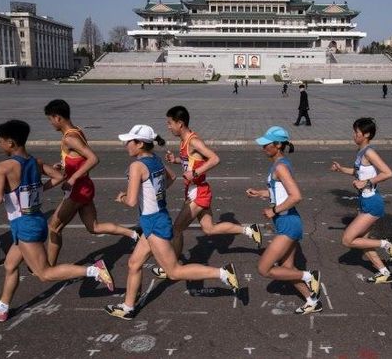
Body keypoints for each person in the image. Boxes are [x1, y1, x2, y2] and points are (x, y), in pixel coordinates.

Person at [0, 119, 115, 322]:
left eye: (1, 141)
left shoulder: (2, 167)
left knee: (44, 274)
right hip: (35, 221)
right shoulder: (36, 162)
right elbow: (59, 177)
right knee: (10, 265)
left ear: (10, 142)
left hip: (24, 226)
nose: (0, 145)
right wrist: (39, 189)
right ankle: (2, 307)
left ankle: (95, 270)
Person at [105, 124, 239, 320]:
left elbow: (132, 201)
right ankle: (128, 307)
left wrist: (123, 198)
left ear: (140, 144)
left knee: (174, 272)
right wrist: (153, 193)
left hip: (154, 223)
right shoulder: (155, 159)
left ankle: (223, 273)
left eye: (129, 141)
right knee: (134, 263)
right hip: (156, 218)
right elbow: (172, 177)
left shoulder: (136, 166)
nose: (126, 144)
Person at [151, 106, 262, 279]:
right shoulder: (184, 141)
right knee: (209, 229)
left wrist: (195, 173)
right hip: (196, 190)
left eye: (169, 123)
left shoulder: (194, 141)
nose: (168, 127)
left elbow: (215, 158)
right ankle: (248, 230)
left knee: (177, 229)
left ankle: (172, 266)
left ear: (180, 123)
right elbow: (191, 161)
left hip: (198, 192)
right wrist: (176, 160)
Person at [43, 99, 140, 265]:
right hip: (85, 187)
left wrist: (72, 178)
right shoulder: (77, 131)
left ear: (58, 118)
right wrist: (64, 165)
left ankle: (49, 266)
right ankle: (132, 234)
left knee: (53, 227)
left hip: (78, 190)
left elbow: (93, 158)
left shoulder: (70, 138)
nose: (50, 123)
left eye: (50, 119)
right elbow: (79, 159)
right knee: (93, 227)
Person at [246, 126, 322, 314]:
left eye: (267, 144)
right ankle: (312, 301)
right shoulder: (279, 163)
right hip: (288, 222)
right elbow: (279, 193)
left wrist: (274, 210)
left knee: (264, 269)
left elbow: (296, 196)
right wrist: (260, 193)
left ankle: (309, 276)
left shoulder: (280, 166)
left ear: (278, 145)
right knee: (287, 268)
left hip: (288, 223)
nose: (263, 147)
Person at [330, 118, 392, 283]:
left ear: (366, 134)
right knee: (363, 241)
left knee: (348, 240)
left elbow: (388, 173)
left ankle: (386, 244)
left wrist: (366, 183)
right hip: (364, 202)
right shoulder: (361, 151)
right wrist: (341, 169)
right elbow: (357, 172)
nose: (354, 135)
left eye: (356, 132)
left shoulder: (369, 152)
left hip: (372, 203)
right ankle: (384, 272)